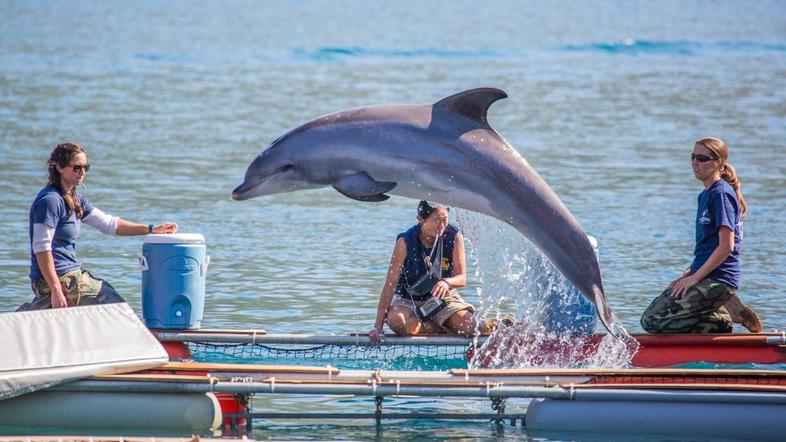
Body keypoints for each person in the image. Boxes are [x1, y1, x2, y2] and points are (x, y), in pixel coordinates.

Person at [18, 142, 178, 311]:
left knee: (106, 299)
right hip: (55, 279)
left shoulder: (75, 200)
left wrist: (151, 229)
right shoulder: (50, 201)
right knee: (114, 306)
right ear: (60, 167)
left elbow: (110, 224)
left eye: (86, 167)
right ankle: (42, 304)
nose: (82, 173)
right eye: (77, 168)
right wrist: (56, 289)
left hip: (72, 274)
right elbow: (41, 248)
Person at [641, 137, 761, 334]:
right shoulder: (705, 195)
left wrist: (695, 278)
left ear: (719, 162)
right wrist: (687, 275)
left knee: (651, 321)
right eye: (693, 157)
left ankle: (722, 313)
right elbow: (707, 247)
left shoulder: (721, 194)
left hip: (719, 280)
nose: (695, 163)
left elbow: (726, 247)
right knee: (655, 312)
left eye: (702, 158)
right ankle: (717, 321)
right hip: (704, 276)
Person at [369, 200, 498, 343]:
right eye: (436, 220)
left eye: (445, 220)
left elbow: (462, 278)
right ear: (420, 219)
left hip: (443, 298)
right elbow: (390, 285)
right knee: (396, 321)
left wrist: (446, 282)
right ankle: (432, 326)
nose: (441, 226)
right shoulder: (404, 242)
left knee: (469, 327)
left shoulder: (454, 236)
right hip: (408, 300)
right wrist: (377, 327)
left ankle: (479, 324)